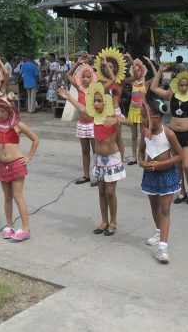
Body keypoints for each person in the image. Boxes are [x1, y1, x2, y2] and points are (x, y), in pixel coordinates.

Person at [58, 82, 126, 236]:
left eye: (99, 100)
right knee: (101, 192)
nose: (95, 103)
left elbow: (130, 124)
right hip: (99, 160)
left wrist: (118, 120)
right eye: (94, 101)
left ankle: (113, 222)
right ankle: (104, 222)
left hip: (113, 159)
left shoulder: (113, 115)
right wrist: (68, 96)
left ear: (105, 102)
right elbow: (81, 108)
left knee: (110, 192)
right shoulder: (93, 115)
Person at [150, 62, 188, 205]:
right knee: (178, 165)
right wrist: (160, 71)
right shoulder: (171, 94)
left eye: (185, 85)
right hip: (174, 134)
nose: (183, 88)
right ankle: (181, 191)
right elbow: (153, 87)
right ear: (177, 84)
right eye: (181, 85)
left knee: (186, 165)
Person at [0, 93, 40, 241]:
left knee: (18, 196)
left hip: (16, 164)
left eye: (2, 111)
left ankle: (25, 228)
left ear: (10, 110)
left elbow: (35, 139)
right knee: (7, 197)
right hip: (2, 165)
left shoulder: (17, 125)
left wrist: (29, 156)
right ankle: (9, 226)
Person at [138, 99, 183, 263]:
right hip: (150, 175)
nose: (143, 121)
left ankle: (163, 248)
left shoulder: (169, 133)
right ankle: (158, 232)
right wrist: (142, 162)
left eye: (145, 117)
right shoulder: (146, 132)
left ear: (156, 117)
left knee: (164, 209)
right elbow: (141, 152)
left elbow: (180, 155)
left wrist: (161, 164)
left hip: (166, 175)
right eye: (142, 117)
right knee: (154, 206)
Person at [66, 54, 98, 186]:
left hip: (93, 124)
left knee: (96, 151)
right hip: (81, 124)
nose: (85, 78)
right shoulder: (79, 87)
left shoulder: (96, 89)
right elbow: (68, 75)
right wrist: (78, 63)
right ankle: (86, 175)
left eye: (88, 76)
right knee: (85, 151)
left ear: (92, 78)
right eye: (83, 76)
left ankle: (97, 175)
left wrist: (92, 64)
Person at [125, 55, 155, 165]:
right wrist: (130, 59)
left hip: (142, 112)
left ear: (142, 72)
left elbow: (156, 76)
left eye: (139, 69)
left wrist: (151, 64)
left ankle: (141, 155)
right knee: (134, 136)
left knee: (144, 135)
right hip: (132, 111)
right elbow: (134, 69)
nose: (137, 71)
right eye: (135, 70)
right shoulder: (132, 82)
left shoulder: (145, 83)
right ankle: (134, 158)